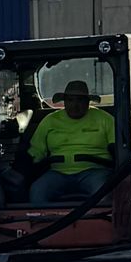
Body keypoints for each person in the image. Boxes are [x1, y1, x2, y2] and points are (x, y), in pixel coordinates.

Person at [25, 77, 117, 206]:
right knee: (37, 191)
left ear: (88, 102)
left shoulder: (105, 119)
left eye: (80, 100)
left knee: (105, 192)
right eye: (70, 100)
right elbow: (36, 151)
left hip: (95, 172)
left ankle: (103, 223)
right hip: (57, 173)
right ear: (64, 102)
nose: (75, 105)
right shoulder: (50, 120)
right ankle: (43, 224)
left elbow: (116, 149)